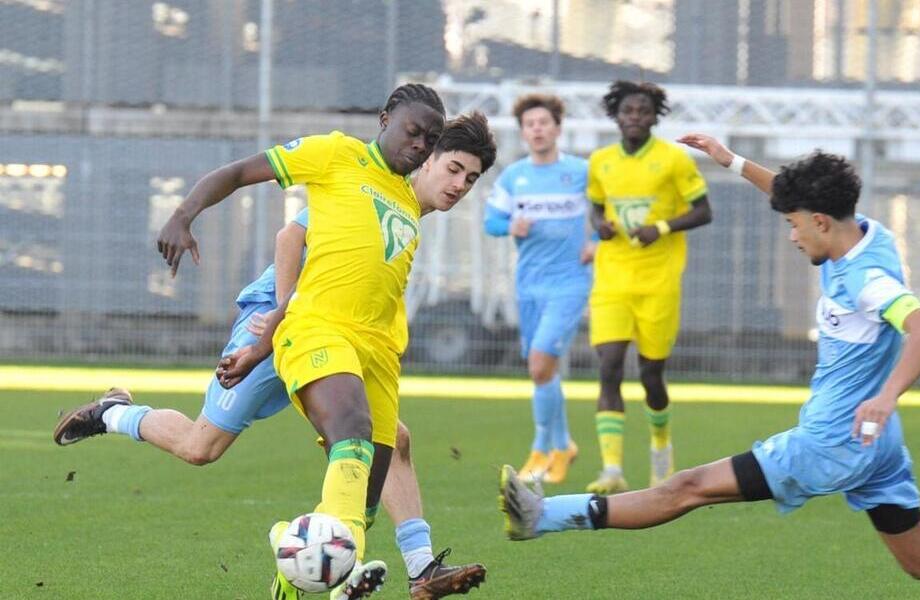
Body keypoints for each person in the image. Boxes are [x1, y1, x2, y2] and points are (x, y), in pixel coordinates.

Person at [496, 134, 920, 600]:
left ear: (820, 222)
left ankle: (544, 516)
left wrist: (885, 398)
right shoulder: (866, 232)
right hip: (876, 445)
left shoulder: (868, 281)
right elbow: (793, 197)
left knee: (688, 487)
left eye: (794, 227)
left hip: (832, 440)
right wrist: (733, 162)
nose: (791, 236)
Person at [53, 139, 491, 597]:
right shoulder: (368, 179)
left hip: (333, 334)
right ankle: (112, 413)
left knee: (384, 441)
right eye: (453, 169)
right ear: (427, 159)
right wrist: (280, 317)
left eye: (471, 179)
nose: (459, 185)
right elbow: (291, 237)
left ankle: (413, 566)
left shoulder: (407, 207)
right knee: (200, 446)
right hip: (283, 320)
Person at [160, 81, 490, 599]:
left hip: (374, 350)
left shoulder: (406, 201)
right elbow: (261, 200)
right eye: (417, 136)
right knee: (335, 436)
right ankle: (382, 570)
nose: (422, 148)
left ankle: (297, 571)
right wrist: (185, 216)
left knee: (364, 497)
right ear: (385, 120)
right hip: (312, 326)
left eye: (431, 141)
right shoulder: (339, 157)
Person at [584, 81, 712, 494]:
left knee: (651, 375)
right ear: (616, 116)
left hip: (658, 281)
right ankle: (612, 470)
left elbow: (704, 210)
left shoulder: (673, 159)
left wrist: (661, 227)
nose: (635, 117)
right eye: (627, 111)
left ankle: (661, 449)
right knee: (608, 369)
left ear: (655, 117)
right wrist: (599, 226)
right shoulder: (601, 161)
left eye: (642, 111)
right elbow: (596, 205)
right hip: (612, 279)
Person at [483, 93, 591, 484]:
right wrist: (511, 226)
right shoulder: (514, 177)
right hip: (529, 286)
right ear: (524, 132)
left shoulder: (581, 172)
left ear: (558, 129)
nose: (538, 129)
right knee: (542, 371)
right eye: (530, 124)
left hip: (569, 283)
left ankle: (543, 448)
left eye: (544, 122)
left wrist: (598, 244)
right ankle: (563, 446)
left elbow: (610, 212)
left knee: (540, 363)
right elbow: (491, 222)